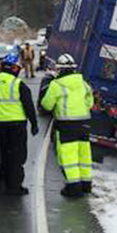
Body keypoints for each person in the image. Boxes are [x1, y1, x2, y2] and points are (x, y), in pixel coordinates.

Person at [40, 53, 94, 198]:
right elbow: (90, 102)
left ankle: (74, 188)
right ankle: (86, 185)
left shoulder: (56, 85)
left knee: (68, 157)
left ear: (60, 69)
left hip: (66, 124)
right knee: (84, 155)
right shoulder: (83, 83)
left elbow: (46, 104)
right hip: (83, 124)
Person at [0, 52, 39, 196]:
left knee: (4, 153)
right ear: (15, 68)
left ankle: (4, 182)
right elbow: (29, 106)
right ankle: (15, 187)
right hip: (17, 125)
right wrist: (34, 124)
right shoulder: (18, 84)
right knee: (17, 156)